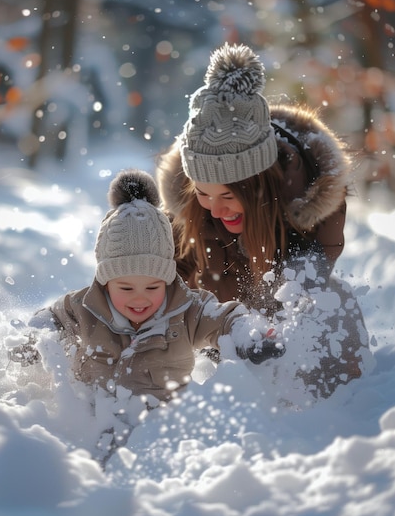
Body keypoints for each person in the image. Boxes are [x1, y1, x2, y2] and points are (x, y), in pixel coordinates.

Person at [156, 42, 370, 399]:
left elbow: (306, 293)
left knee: (333, 305)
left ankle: (329, 412)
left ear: (258, 185)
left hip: (281, 341)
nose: (214, 209)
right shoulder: (187, 214)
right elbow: (143, 286)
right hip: (211, 342)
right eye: (203, 194)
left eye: (227, 196)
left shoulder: (306, 210)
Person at [8, 169, 284, 406]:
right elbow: (50, 318)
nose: (140, 299)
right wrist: (34, 341)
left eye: (153, 287)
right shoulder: (84, 307)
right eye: (126, 288)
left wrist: (248, 335)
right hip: (92, 423)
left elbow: (226, 319)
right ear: (105, 282)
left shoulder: (187, 310)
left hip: (157, 434)